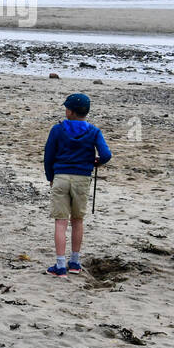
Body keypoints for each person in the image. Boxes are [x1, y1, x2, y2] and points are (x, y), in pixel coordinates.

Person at [43, 93, 112, 276]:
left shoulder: (57, 130)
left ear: (71, 112)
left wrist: (50, 176)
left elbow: (48, 156)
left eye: (66, 108)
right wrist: (94, 163)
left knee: (60, 221)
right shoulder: (94, 131)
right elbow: (106, 155)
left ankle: (59, 265)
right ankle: (74, 262)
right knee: (78, 220)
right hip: (82, 179)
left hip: (61, 177)